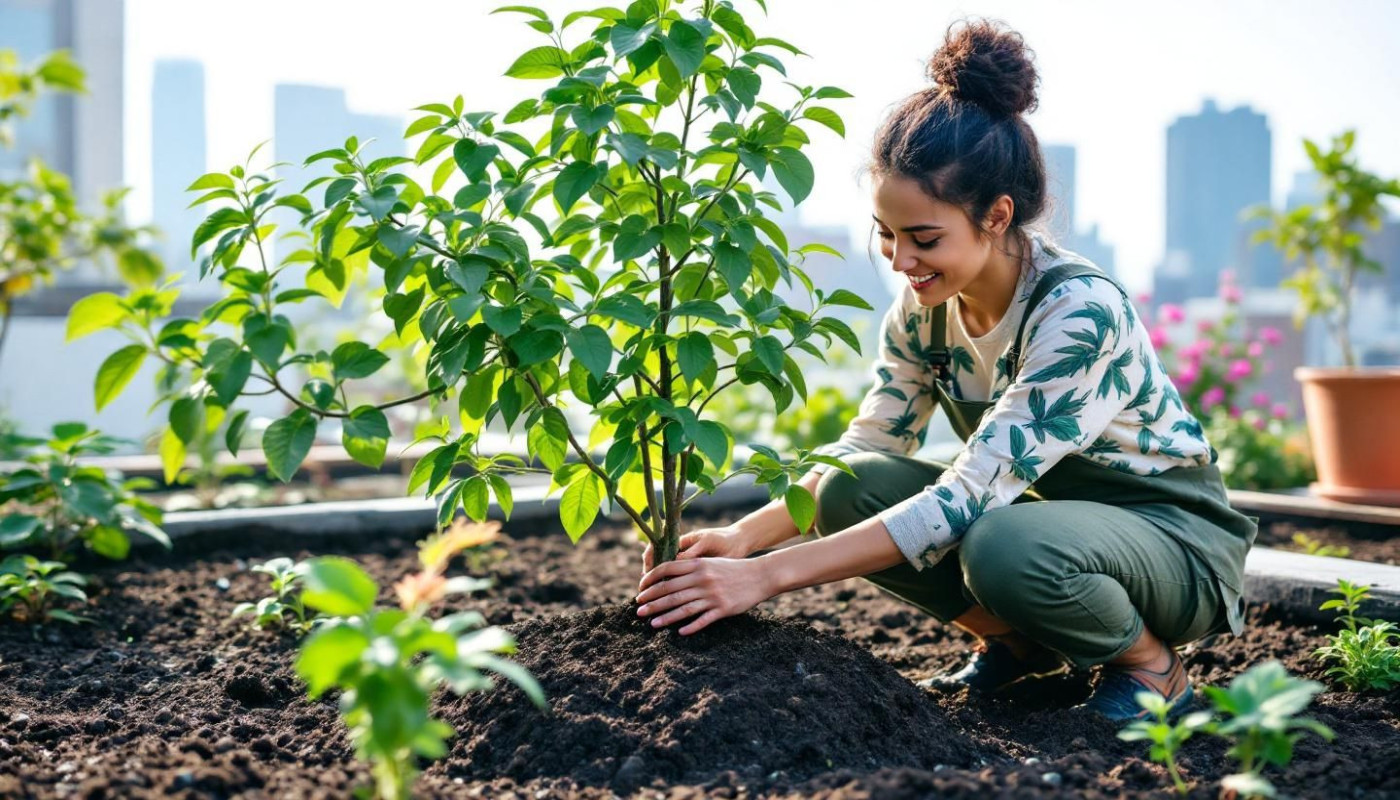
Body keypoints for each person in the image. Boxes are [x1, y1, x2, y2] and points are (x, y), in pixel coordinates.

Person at [634, 18, 1257, 722]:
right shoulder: (922, 308)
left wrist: (763, 577)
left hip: (1174, 545)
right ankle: (1020, 645)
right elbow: (870, 447)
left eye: (924, 238)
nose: (901, 261)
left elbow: (969, 497)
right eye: (887, 235)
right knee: (845, 486)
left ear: (996, 215)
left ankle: (1152, 668)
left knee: (1000, 545)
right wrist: (746, 536)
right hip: (1058, 531)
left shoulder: (1079, 313)